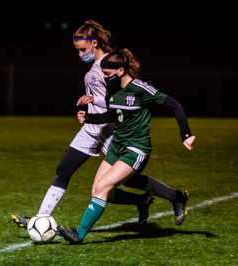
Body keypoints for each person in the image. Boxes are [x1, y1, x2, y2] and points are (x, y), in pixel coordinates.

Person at [12, 20, 185, 229]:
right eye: (77, 51)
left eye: (83, 50)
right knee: (63, 170)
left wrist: (94, 101)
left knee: (128, 181)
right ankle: (40, 218)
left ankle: (170, 197)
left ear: (94, 43)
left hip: (112, 131)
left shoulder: (108, 65)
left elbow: (120, 99)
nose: (80, 55)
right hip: (91, 129)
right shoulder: (95, 67)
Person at [57, 48, 195, 244]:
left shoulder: (140, 89)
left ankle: (78, 235)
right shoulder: (113, 90)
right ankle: (175, 197)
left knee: (103, 187)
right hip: (116, 147)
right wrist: (89, 117)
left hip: (136, 149)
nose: (104, 79)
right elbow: (114, 115)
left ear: (121, 71)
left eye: (107, 74)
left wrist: (186, 135)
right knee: (101, 190)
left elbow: (174, 105)